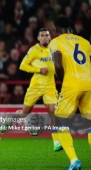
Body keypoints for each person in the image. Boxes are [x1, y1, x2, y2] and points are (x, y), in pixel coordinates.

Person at [1, 28, 62, 151]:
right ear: (38, 38)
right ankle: (10, 118)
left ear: (50, 38)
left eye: (47, 35)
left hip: (50, 87)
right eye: (42, 35)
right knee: (24, 113)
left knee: (53, 114)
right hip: (35, 87)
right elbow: (22, 65)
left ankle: (56, 142)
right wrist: (39, 70)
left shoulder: (53, 50)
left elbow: (56, 67)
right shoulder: (34, 50)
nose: (45, 37)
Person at [49, 16, 91, 170]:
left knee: (59, 122)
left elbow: (58, 64)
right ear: (71, 28)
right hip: (89, 83)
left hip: (72, 84)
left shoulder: (56, 42)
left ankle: (74, 161)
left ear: (56, 29)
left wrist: (63, 80)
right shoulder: (85, 42)